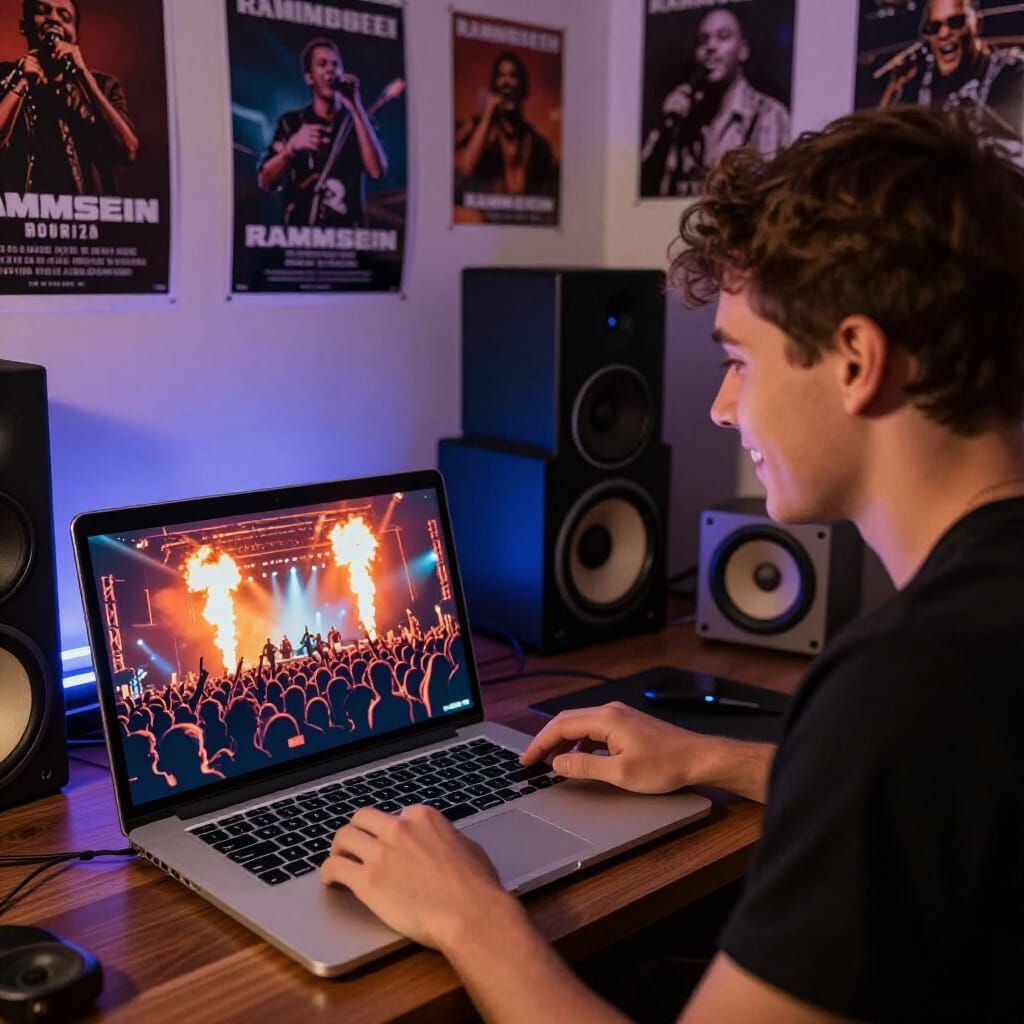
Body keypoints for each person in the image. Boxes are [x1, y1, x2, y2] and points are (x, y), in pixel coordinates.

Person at [320, 107, 1024, 1020]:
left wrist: (470, 914)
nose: (724, 409)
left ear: (856, 360)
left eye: (739, 361)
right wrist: (716, 759)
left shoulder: (905, 681)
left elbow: (909, 754)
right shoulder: (968, 653)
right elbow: (946, 795)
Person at [641, 4, 790, 197]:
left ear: (743, 50)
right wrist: (664, 131)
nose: (710, 47)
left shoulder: (770, 115)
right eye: (703, 40)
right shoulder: (682, 117)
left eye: (723, 36)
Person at [0, 0, 138, 193]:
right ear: (24, 26)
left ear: (75, 36)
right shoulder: (4, 77)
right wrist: (21, 83)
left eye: (65, 17)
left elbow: (128, 151)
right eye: (42, 11)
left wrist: (83, 75)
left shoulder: (103, 85)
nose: (54, 18)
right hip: (20, 216)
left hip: (83, 218)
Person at [257, 36, 386, 228]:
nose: (330, 69)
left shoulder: (358, 123)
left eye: (335, 64)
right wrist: (291, 149)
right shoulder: (291, 123)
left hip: (348, 237)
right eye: (322, 64)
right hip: (301, 238)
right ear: (309, 77)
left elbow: (377, 171)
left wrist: (356, 107)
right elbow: (265, 181)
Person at [878, 0, 1024, 156]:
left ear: (978, 24)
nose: (944, 33)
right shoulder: (923, 82)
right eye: (934, 27)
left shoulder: (1012, 73)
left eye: (956, 22)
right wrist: (894, 87)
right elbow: (877, 142)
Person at [454, 50, 558, 201]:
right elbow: (465, 168)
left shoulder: (537, 144)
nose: (506, 82)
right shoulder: (477, 129)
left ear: (523, 87)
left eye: (513, 76)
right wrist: (488, 114)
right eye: (501, 76)